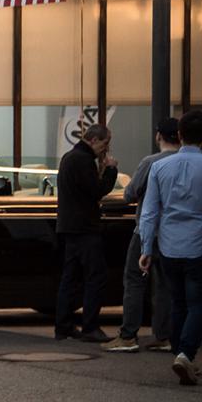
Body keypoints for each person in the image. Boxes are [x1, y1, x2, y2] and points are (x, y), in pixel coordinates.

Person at [139, 109, 202, 385]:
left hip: (168, 245)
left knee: (178, 302)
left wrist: (145, 248)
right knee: (198, 303)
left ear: (179, 134)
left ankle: (180, 353)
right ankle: (186, 354)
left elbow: (149, 212)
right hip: (198, 244)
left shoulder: (160, 167)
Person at [107, 118, 180, 353]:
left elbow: (129, 194)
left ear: (158, 136)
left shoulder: (151, 162)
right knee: (165, 285)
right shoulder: (189, 162)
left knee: (134, 280)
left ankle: (128, 335)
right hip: (175, 233)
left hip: (146, 231)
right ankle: (164, 335)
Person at [54, 123, 118, 341]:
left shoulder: (69, 157)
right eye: (105, 143)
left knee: (70, 278)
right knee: (95, 276)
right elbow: (97, 191)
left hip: (68, 226)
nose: (106, 149)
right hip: (85, 228)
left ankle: (63, 326)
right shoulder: (83, 160)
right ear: (94, 140)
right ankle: (90, 326)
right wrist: (110, 170)